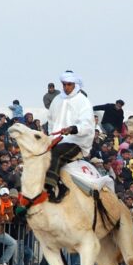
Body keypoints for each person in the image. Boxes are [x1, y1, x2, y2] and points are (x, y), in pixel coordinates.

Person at [44, 71, 94, 202]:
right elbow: (50, 121)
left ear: (75, 84)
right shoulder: (57, 99)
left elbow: (87, 125)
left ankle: (49, 189)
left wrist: (73, 129)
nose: (66, 87)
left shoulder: (83, 101)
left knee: (55, 153)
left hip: (77, 140)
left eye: (69, 84)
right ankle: (59, 184)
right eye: (64, 84)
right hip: (57, 139)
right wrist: (50, 137)